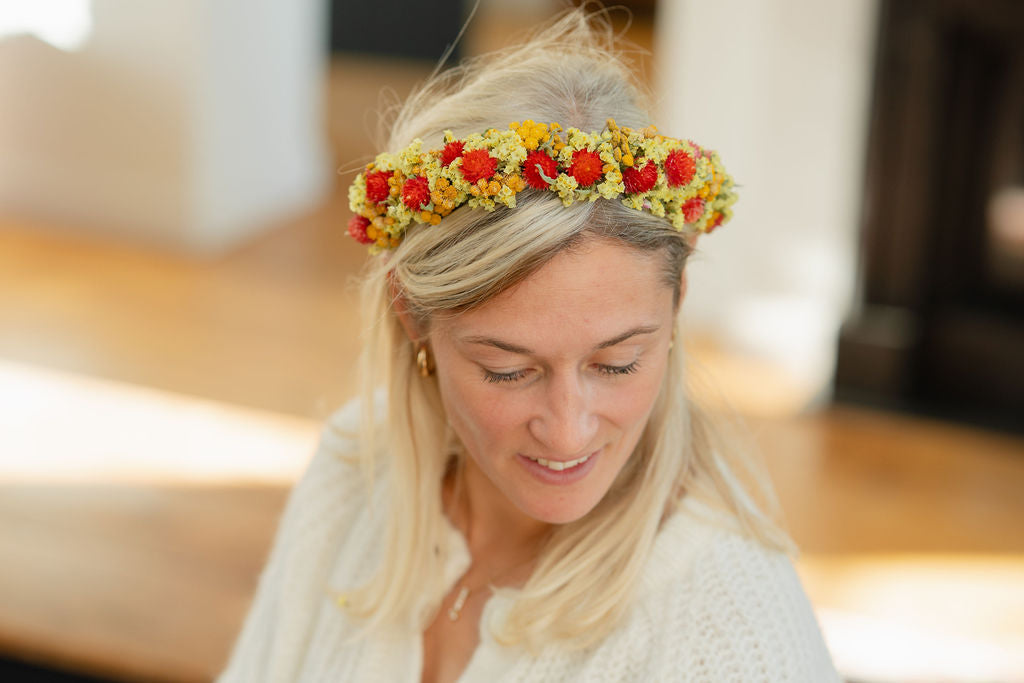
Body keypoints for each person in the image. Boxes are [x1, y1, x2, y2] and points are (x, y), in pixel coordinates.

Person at [218, 7, 840, 682]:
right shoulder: (353, 474)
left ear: (677, 303)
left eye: (617, 362)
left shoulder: (733, 630)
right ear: (411, 315)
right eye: (508, 370)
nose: (568, 429)